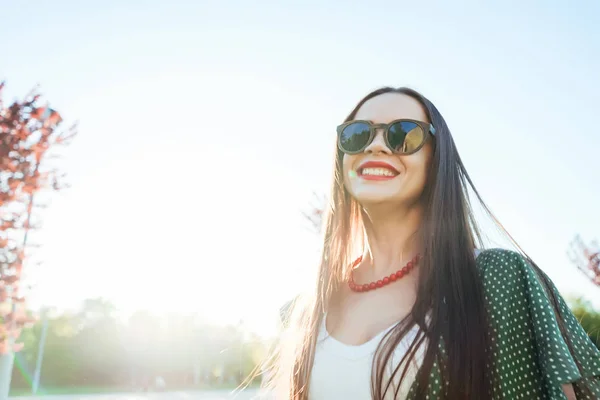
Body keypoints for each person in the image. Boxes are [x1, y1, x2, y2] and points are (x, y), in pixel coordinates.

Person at [261, 87, 600, 399]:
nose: (375, 146)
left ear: (436, 160)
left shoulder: (500, 279)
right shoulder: (302, 311)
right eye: (357, 133)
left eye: (403, 135)